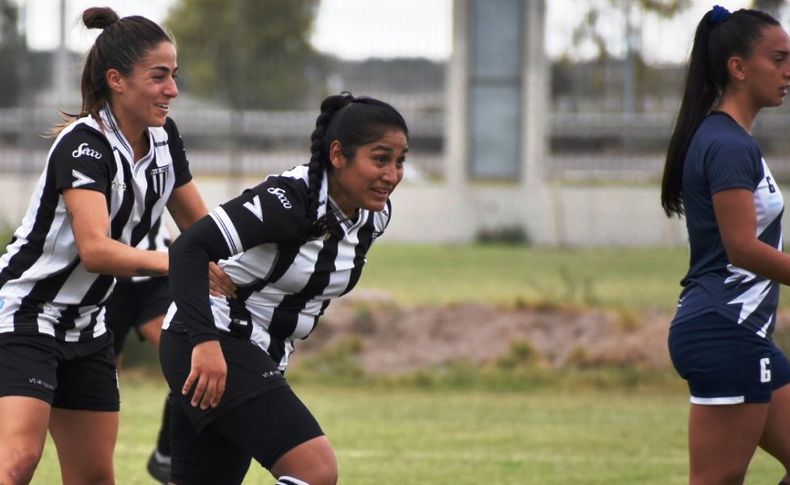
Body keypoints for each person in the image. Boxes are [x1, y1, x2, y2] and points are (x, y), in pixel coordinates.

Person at [0, 7, 214, 484]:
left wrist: (263, 251)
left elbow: (199, 227)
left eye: (174, 76)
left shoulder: (164, 138)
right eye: (159, 77)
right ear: (116, 80)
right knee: (16, 462)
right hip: (25, 316)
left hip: (88, 326)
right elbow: (96, 249)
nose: (172, 90)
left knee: (95, 478)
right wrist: (180, 263)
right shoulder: (85, 145)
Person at [160, 92, 409, 485]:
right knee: (315, 470)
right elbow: (190, 249)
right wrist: (205, 343)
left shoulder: (373, 216)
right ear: (338, 154)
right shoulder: (289, 200)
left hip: (255, 352)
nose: (392, 175)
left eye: (400, 162)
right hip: (214, 343)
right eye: (380, 159)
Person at [661, 5, 790, 484]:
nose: (788, 71)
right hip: (724, 330)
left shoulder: (727, 139)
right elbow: (742, 249)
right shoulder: (730, 145)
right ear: (738, 68)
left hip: (743, 334)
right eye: (777, 59)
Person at [103, 218, 174, 483]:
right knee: (99, 384)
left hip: (157, 271)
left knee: (187, 360)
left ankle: (167, 455)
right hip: (105, 275)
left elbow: (192, 213)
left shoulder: (170, 173)